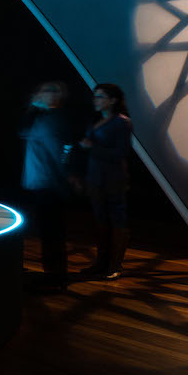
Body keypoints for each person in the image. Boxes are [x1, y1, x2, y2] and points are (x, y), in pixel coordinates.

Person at [20, 81, 76, 291]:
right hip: (45, 182)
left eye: (43, 91)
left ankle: (55, 278)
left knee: (52, 232)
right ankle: (54, 275)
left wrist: (66, 178)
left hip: (49, 184)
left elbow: (59, 153)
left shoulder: (53, 120)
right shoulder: (45, 118)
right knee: (49, 231)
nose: (37, 94)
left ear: (55, 96)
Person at [80, 83, 133, 280]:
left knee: (116, 219)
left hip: (113, 178)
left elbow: (121, 153)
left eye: (100, 96)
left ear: (113, 100)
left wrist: (91, 147)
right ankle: (101, 263)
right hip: (95, 177)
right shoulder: (97, 120)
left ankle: (115, 265)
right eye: (95, 96)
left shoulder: (122, 123)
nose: (96, 100)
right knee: (101, 219)